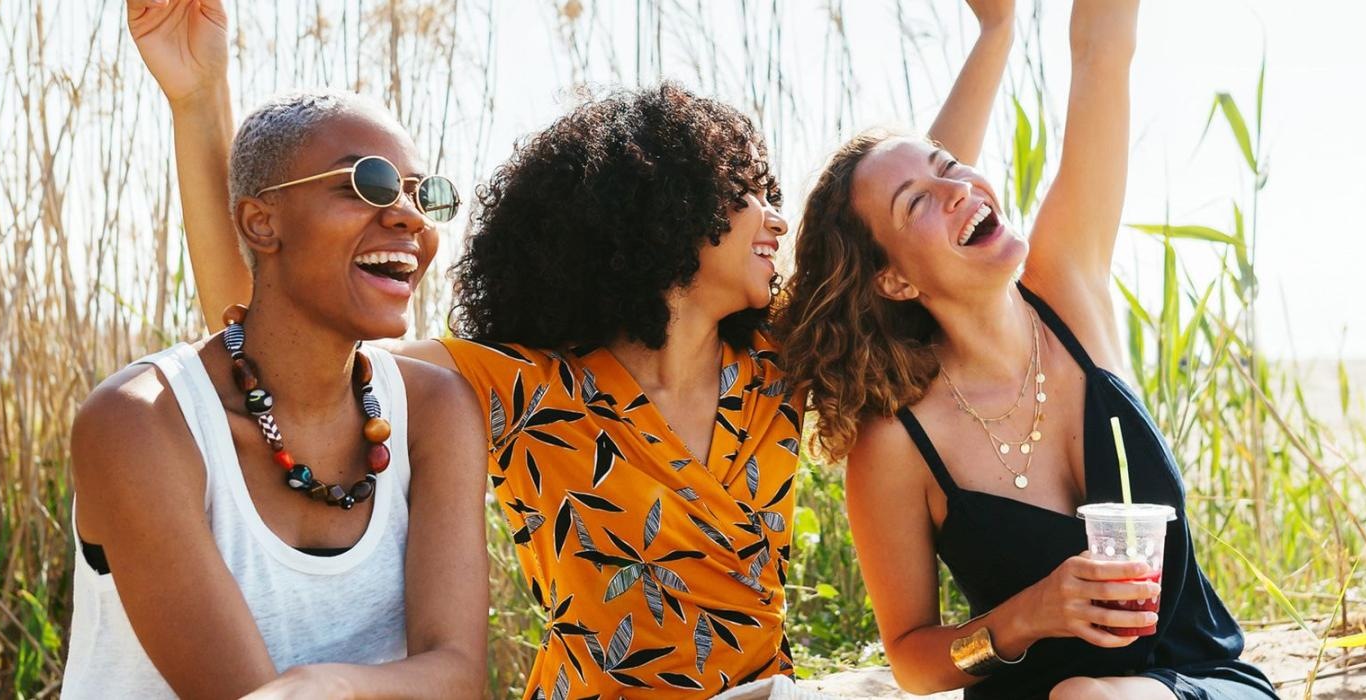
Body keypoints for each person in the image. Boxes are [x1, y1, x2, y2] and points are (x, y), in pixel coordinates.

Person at [129, 0, 1013, 695]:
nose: (777, 220)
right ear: (667, 213)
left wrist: (996, 32)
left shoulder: (775, 364)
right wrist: (200, 104)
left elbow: (909, 224)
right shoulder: (522, 390)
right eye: (747, 191)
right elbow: (269, 334)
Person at [777, 0, 1277, 698]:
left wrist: (998, 26)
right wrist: (1026, 618)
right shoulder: (898, 441)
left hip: (1205, 683)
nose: (959, 188)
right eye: (918, 202)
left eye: (951, 165)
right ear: (892, 279)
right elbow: (913, 662)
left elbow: (1103, 49)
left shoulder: (1069, 290)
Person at [62, 84, 486, 697]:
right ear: (261, 223)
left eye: (424, 194)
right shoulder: (141, 423)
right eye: (365, 184)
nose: (409, 217)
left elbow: (458, 675)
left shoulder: (434, 410)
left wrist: (329, 686)